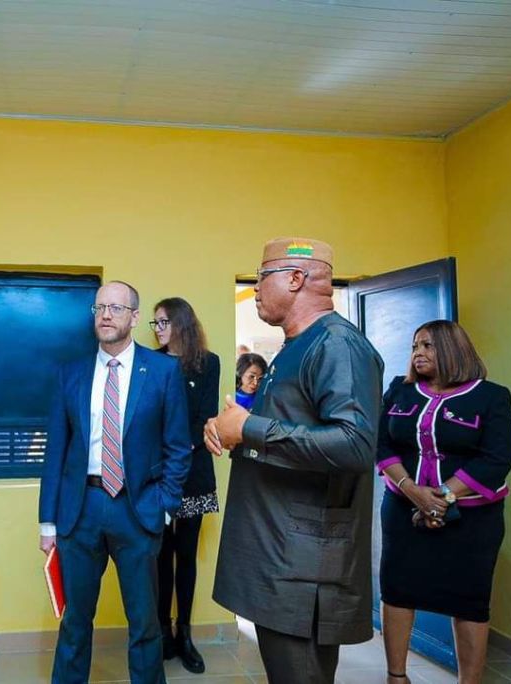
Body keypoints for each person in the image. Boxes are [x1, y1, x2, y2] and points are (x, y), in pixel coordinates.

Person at [204, 237, 384, 684]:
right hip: (278, 555)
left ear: (296, 279)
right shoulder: (295, 347)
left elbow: (354, 444)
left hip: (303, 566)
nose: (256, 288)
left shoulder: (338, 345)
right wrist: (232, 430)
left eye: (262, 277)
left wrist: (249, 428)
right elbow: (288, 433)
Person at [39, 280, 193, 684]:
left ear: (135, 317)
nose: (106, 315)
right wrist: (47, 522)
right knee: (75, 621)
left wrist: (164, 505)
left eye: (116, 308)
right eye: (100, 308)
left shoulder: (162, 371)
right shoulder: (70, 373)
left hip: (137, 508)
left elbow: (179, 447)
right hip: (80, 510)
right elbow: (55, 452)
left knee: (144, 623)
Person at [376, 320, 511, 684]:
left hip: (472, 521)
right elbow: (381, 443)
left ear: (453, 349)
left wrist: (443, 497)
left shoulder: (491, 397)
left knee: (469, 600)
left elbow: (497, 457)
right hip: (403, 510)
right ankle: (396, 677)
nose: (418, 353)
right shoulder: (400, 391)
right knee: (397, 590)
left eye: (428, 346)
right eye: (414, 346)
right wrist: (412, 490)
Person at [148, 297, 221, 674]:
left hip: (193, 471)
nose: (158, 329)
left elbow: (206, 418)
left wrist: (177, 450)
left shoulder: (209, 363)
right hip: (158, 473)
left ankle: (185, 634)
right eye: (155, 323)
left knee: (186, 555)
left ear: (181, 322)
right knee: (160, 554)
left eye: (163, 322)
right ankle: (163, 631)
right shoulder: (150, 362)